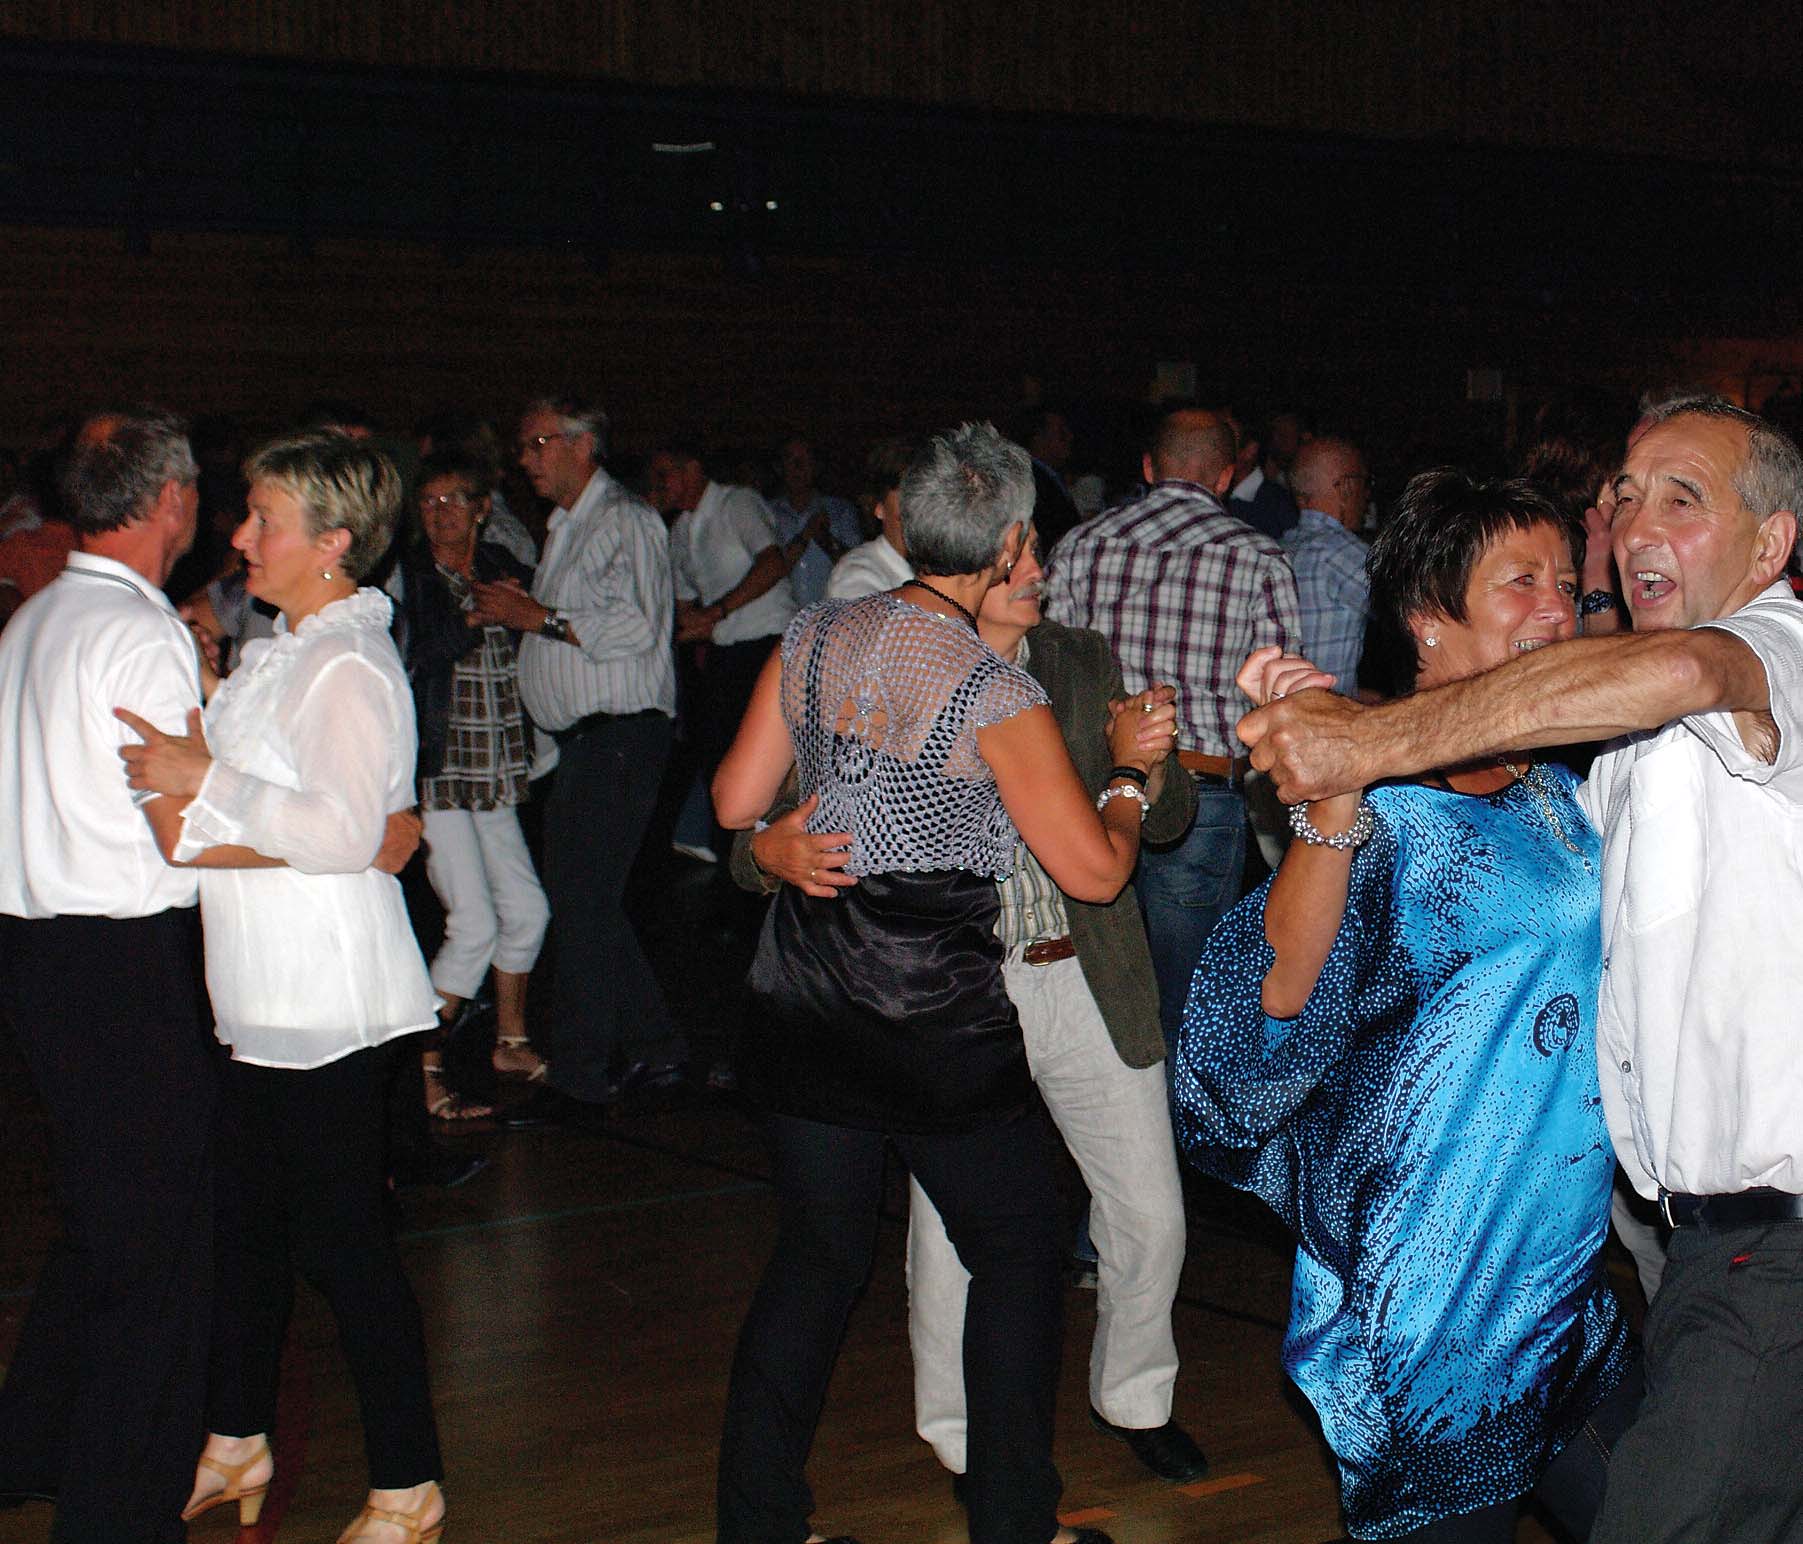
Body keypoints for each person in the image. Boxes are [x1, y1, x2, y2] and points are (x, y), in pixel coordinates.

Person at [1238, 395, 1803, 1544]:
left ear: (1772, 543)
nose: (1634, 526)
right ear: (1426, 618)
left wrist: (1364, 738)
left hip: (1754, 1251)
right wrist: (1341, 769)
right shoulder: (1594, 778)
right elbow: (1262, 1012)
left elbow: (1693, 669)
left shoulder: (1762, 662)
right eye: (1626, 496)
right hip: (1513, 1278)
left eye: (1682, 499)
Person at [710, 422, 1177, 1544]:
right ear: (1011, 538)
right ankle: (1015, 1524)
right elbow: (1099, 871)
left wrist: (778, 842)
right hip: (924, 1007)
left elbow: (733, 805)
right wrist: (1124, 772)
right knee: (1018, 1246)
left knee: (819, 1257)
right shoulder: (988, 688)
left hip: (807, 989)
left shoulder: (815, 632)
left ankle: (758, 1524)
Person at [1177, 469, 1637, 1541]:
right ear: (1429, 615)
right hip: (1436, 1307)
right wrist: (1335, 791)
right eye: (1519, 581)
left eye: (1566, 580)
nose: (1557, 608)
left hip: (1558, 1282)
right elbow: (1263, 1015)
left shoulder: (1553, 783)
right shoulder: (1386, 809)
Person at [117, 431, 447, 1544]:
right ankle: (236, 1438)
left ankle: (410, 1483)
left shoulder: (349, 664)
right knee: (249, 1234)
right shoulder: (286, 646)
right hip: (263, 993)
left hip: (327, 999)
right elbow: (292, 822)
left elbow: (347, 831)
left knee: (346, 1248)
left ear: (333, 541)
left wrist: (205, 777)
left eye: (263, 519)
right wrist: (212, 759)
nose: (239, 536)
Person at [0, 408, 215, 1543]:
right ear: (170, 499)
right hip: (121, 963)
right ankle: (119, 1514)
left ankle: (29, 1444)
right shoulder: (139, 633)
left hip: (42, 956)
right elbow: (184, 830)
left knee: (101, 1226)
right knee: (160, 1257)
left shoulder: (39, 617)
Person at [1045, 406, 1303, 1040]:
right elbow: (1274, 704)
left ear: (1148, 467)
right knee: (1187, 1004)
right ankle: (1184, 1136)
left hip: (1094, 790)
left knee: (1103, 988)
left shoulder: (1082, 544)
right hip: (1203, 796)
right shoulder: (1259, 558)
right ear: (1224, 474)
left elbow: (1050, 675)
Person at [487, 395, 683, 1127]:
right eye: (524, 446)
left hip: (622, 734)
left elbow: (636, 627)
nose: (525, 459)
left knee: (580, 902)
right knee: (586, 900)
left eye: (536, 444)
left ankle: (579, 1074)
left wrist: (536, 618)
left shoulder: (623, 520)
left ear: (580, 445)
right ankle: (656, 1045)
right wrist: (526, 612)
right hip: (588, 742)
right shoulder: (568, 527)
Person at [399, 448, 550, 1117]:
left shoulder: (502, 570)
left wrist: (525, 612)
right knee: (474, 924)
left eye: (454, 500)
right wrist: (467, 622)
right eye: (429, 503)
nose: (440, 515)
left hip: (494, 767)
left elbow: (540, 644)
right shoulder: (408, 578)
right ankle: (423, 1068)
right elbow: (405, 658)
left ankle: (508, 1041)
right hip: (438, 771)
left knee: (528, 912)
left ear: (483, 509)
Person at [1280, 436, 1371, 695]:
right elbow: (1416, 614)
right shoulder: (1343, 554)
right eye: (1364, 483)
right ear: (1346, 487)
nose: (1366, 496)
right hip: (1325, 719)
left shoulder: (1277, 548)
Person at [769, 435, 863, 606]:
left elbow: (857, 567)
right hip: (781, 622)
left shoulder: (840, 511)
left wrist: (825, 539)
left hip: (832, 618)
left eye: (805, 460)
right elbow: (766, 573)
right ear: (779, 467)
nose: (798, 467)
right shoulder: (766, 513)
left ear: (816, 467)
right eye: (791, 459)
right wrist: (806, 536)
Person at [825, 435, 916, 600]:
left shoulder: (946, 569)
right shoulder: (856, 574)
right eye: (907, 493)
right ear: (879, 506)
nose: (918, 505)